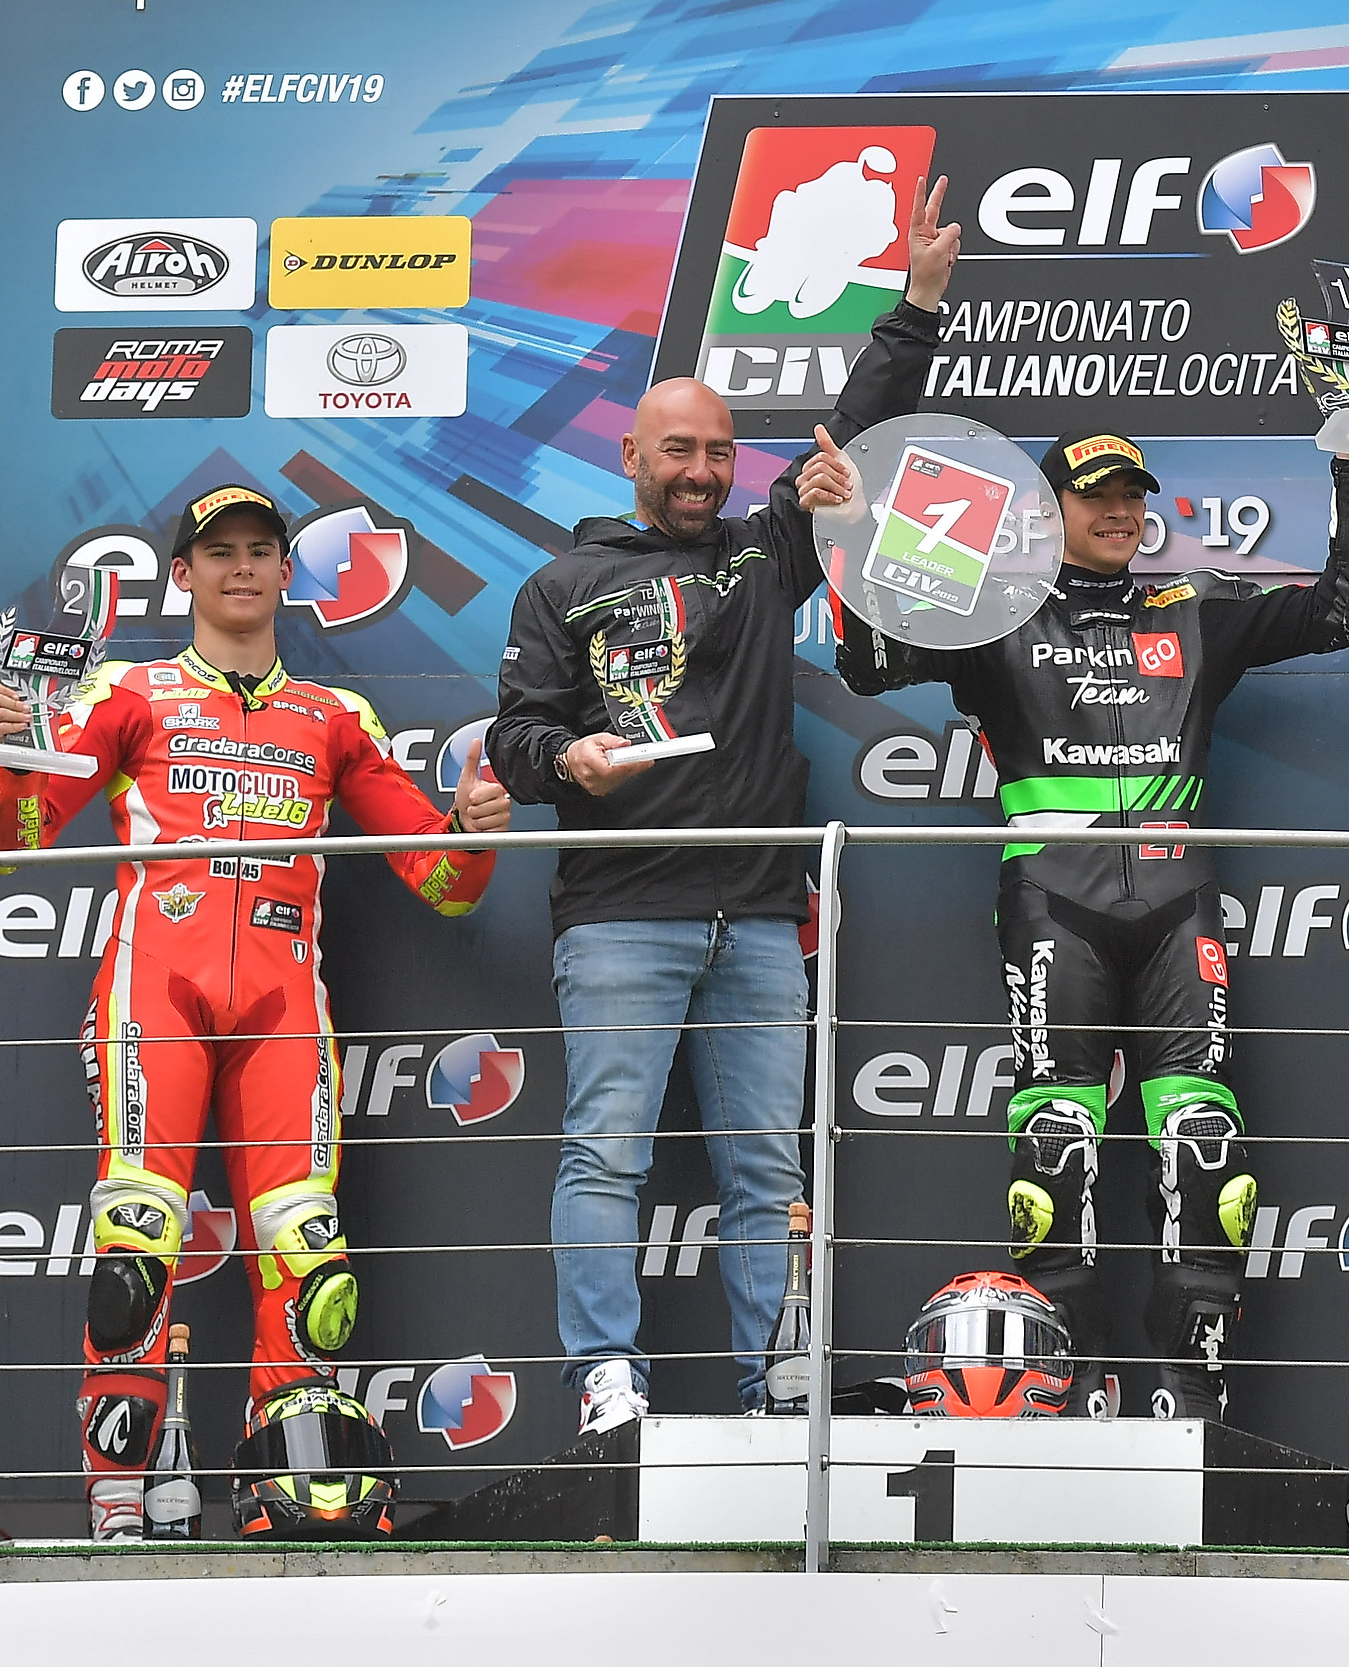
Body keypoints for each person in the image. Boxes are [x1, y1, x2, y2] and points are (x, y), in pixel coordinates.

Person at [487, 179, 960, 1430]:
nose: (700, 471)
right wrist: (570, 760)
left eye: (717, 452)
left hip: (755, 915)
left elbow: (854, 430)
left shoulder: (763, 552)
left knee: (767, 1168)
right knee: (606, 1153)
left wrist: (916, 302)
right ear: (630, 456)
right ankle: (606, 1383)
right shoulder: (562, 584)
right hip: (618, 913)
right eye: (677, 452)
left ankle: (774, 1389)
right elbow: (515, 738)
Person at [834, 395, 1349, 1419]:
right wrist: (851, 530)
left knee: (1207, 1147)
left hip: (1179, 902)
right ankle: (1057, 1388)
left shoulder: (1196, 604)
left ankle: (1194, 1388)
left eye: (1132, 494)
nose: (1118, 510)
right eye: (1095, 493)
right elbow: (870, 662)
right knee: (1054, 1146)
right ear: (1047, 509)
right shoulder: (993, 611)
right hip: (1054, 904)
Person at [0, 483, 511, 1540]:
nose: (244, 567)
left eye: (262, 549)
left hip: (284, 1009)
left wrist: (474, 828)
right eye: (221, 551)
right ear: (182, 574)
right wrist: (9, 759)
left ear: (285, 573)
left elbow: (445, 881)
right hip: (154, 996)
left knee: (308, 1260)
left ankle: (288, 1491)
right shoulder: (130, 693)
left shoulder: (335, 716)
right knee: (135, 1250)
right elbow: (15, 839)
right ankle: (119, 1495)